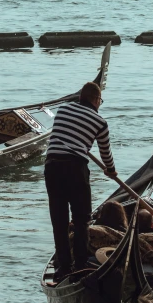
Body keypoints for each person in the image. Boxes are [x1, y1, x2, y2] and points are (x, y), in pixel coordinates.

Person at [45, 81, 117, 281]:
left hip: (51, 166)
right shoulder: (100, 122)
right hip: (75, 167)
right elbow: (105, 153)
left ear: (80, 98)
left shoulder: (62, 110)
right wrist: (111, 170)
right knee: (82, 219)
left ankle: (63, 268)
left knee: (59, 220)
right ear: (95, 100)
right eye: (100, 100)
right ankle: (80, 265)